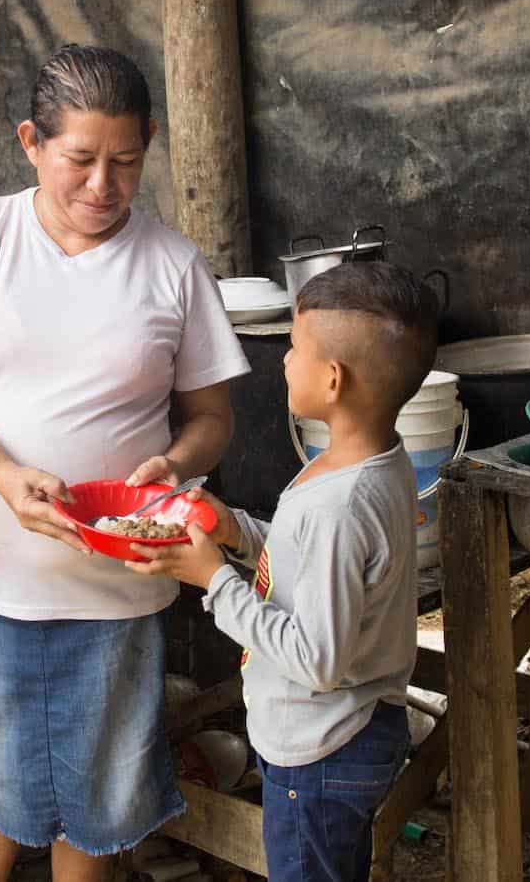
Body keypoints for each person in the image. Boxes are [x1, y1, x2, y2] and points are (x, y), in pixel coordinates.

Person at [0, 44, 251, 881]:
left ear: (150, 144)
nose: (102, 185)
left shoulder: (172, 265)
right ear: (30, 142)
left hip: (117, 588)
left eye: (125, 162)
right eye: (79, 159)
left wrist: (174, 460)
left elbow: (211, 419)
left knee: (98, 805)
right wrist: (8, 477)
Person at [128, 260, 436, 882]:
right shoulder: (374, 463)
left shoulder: (337, 505)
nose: (284, 361)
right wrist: (235, 531)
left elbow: (318, 660)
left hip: (322, 750)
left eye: (293, 349)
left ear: (332, 379)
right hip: (354, 728)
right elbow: (310, 564)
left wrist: (215, 579)